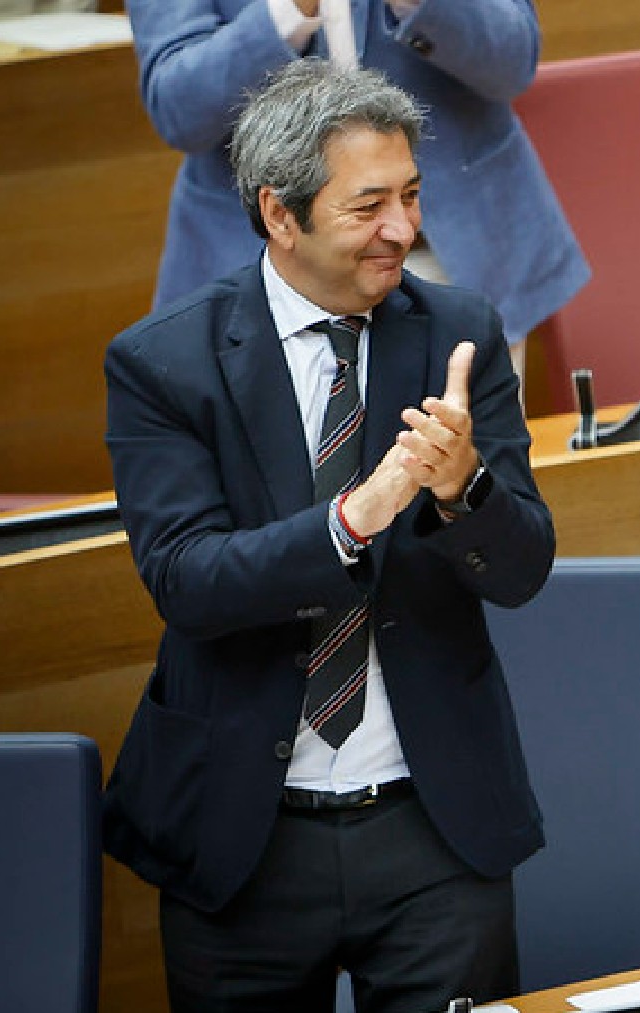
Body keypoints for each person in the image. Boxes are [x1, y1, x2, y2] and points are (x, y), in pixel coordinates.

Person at [102, 60, 555, 1012]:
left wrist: (461, 486)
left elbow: (522, 570)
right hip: (243, 834)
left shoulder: (457, 334)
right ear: (280, 214)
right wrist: (357, 515)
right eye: (368, 206)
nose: (404, 230)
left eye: (412, 195)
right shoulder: (164, 363)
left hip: (433, 824)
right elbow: (187, 581)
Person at [129, 0, 588, 380]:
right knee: (287, 483)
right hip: (269, 269)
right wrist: (290, 10)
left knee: (468, 478)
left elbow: (512, 61)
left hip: (450, 253)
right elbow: (178, 107)